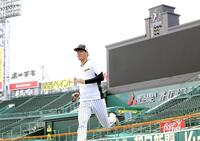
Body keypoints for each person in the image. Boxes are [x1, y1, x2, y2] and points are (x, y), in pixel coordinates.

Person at [73, 44, 113, 141]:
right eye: (77, 52)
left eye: (81, 51)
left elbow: (101, 77)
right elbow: (82, 85)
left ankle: (113, 118)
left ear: (87, 53)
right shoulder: (78, 68)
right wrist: (78, 94)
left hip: (96, 98)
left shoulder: (91, 63)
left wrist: (85, 81)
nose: (78, 53)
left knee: (106, 125)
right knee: (82, 123)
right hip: (84, 101)